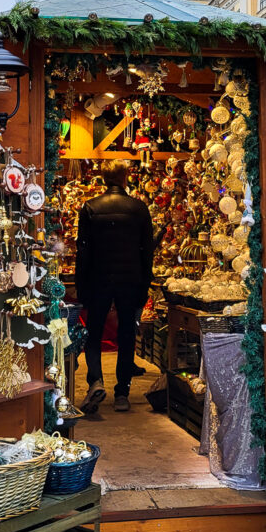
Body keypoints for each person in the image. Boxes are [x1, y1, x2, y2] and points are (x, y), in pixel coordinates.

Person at [76, 160, 154, 413]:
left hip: (98, 277)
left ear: (103, 177)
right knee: (127, 334)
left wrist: (80, 283)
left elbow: (83, 250)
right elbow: (147, 251)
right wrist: (145, 283)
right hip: (130, 278)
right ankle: (122, 392)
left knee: (94, 333)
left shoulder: (90, 207)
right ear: (125, 178)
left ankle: (95, 381)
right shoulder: (139, 208)